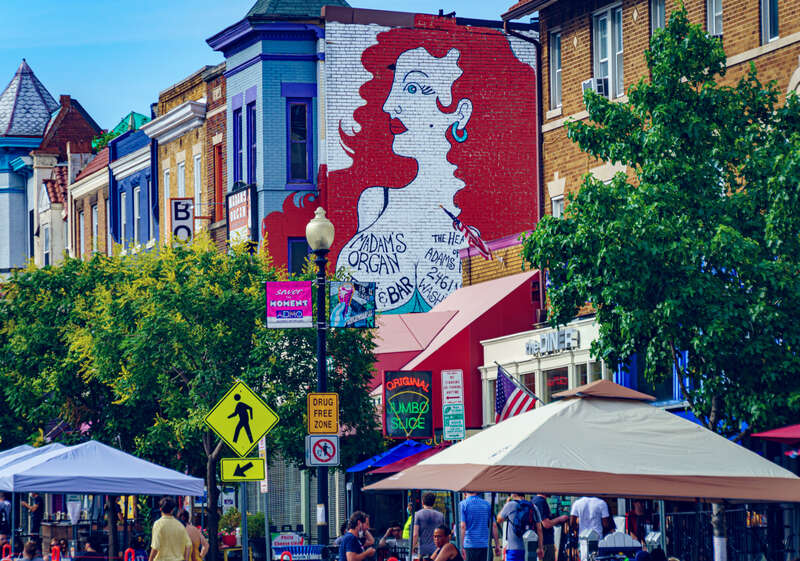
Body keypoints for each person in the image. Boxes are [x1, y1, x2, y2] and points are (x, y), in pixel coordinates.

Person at [328, 24, 538, 314]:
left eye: (413, 88)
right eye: (395, 88)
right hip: (372, 359)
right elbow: (351, 324)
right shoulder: (374, 204)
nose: (391, 105)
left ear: (460, 114)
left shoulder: (478, 232)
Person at [497, 493, 543, 561]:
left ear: (513, 495)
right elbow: (539, 529)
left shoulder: (510, 505)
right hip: (530, 549)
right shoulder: (533, 506)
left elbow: (499, 519)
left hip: (513, 550)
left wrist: (506, 503)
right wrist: (540, 548)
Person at [459, 492, 499, 561]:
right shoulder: (487, 505)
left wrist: (461, 546)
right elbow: (494, 525)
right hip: (486, 547)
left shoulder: (463, 504)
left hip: (469, 546)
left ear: (465, 493)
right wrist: (497, 545)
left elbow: (462, 526)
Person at [531, 494, 569, 561]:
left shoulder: (536, 500)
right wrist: (561, 518)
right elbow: (546, 524)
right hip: (545, 544)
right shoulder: (540, 502)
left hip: (542, 543)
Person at [412, 494, 444, 560]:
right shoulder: (441, 515)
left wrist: (412, 547)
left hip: (423, 550)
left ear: (422, 502)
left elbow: (415, 535)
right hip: (437, 550)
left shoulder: (417, 514)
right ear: (433, 503)